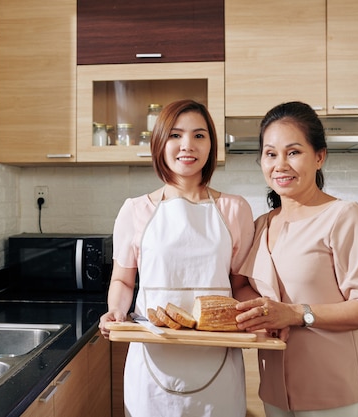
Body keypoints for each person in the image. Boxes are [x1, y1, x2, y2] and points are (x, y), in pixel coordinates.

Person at [234, 101, 358, 417]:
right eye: (270, 154)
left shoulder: (344, 217)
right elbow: (240, 286)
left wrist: (295, 314)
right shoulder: (261, 224)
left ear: (319, 157)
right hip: (275, 390)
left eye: (293, 152)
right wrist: (263, 313)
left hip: (332, 393)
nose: (280, 164)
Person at [98, 99, 256, 417]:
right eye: (175, 135)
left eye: (199, 135)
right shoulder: (134, 210)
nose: (187, 145)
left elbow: (240, 286)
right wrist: (116, 311)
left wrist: (261, 314)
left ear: (211, 144)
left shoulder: (235, 209)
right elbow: (122, 279)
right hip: (151, 359)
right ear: (160, 142)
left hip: (218, 361)